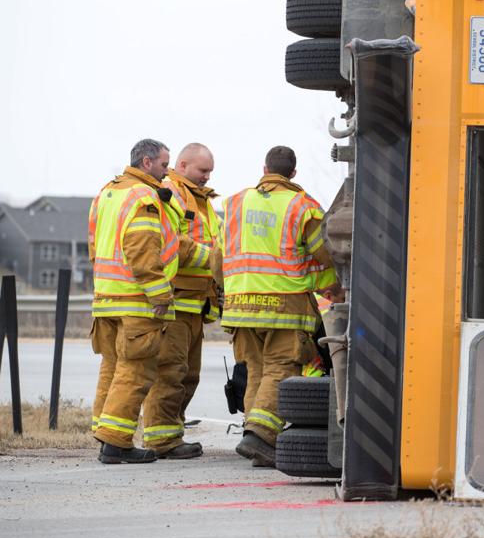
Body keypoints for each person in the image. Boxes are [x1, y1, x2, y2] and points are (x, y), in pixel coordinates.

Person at [89, 139, 209, 464]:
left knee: (113, 367)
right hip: (136, 300)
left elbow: (94, 243)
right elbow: (142, 248)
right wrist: (159, 293)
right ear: (146, 162)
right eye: (163, 164)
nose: (167, 170)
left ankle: (105, 434)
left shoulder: (108, 192)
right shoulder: (144, 196)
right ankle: (116, 443)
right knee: (136, 371)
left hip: (107, 297)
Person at [223, 146, 343, 466]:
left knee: (255, 371)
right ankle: (260, 436)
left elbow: (214, 258)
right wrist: (334, 285)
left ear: (264, 169)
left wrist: (226, 290)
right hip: (284, 304)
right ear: (293, 173)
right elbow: (324, 252)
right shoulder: (302, 206)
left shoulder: (235, 203)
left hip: (239, 305)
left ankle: (256, 438)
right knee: (280, 369)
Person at [141, 143, 223, 458]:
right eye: (203, 170)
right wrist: (215, 260)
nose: (207, 176)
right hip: (176, 301)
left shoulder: (202, 200)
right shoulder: (171, 191)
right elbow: (176, 242)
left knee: (188, 375)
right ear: (184, 164)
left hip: (195, 303)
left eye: (210, 171)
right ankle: (161, 439)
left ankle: (172, 432)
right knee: (170, 372)